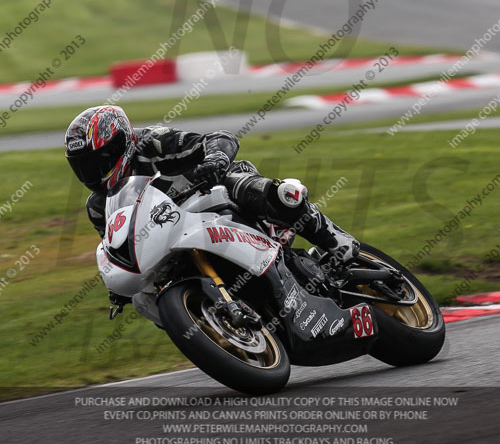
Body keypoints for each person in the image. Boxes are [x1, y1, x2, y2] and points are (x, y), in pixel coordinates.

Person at [65, 105, 359, 325]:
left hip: (214, 193)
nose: (93, 173)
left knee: (273, 191)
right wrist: (120, 283)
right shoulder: (98, 206)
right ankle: (209, 328)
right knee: (144, 299)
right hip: (172, 237)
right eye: (84, 167)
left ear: (121, 143)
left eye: (100, 161)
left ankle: (336, 241)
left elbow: (220, 137)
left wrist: (216, 159)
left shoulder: (152, 144)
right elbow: (120, 246)